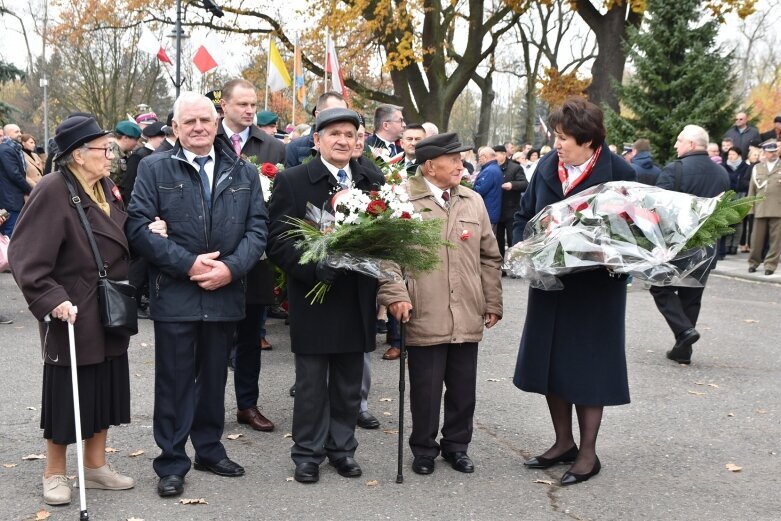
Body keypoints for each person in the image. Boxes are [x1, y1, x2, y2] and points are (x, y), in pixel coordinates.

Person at [125, 92, 268, 498]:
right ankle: (171, 461)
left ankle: (209, 448)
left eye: (205, 119)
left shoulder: (241, 171)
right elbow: (137, 228)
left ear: (217, 121)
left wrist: (231, 268)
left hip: (224, 293)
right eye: (189, 122)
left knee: (213, 378)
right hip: (175, 293)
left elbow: (258, 230)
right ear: (175, 128)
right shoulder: (153, 169)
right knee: (174, 381)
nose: (199, 128)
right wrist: (188, 264)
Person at [9, 116, 146, 505]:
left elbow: (118, 230)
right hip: (71, 309)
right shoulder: (53, 189)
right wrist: (51, 299)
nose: (110, 155)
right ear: (78, 155)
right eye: (104, 148)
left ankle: (96, 465)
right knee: (67, 395)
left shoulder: (104, 186)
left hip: (109, 303)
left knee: (104, 387)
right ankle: (54, 472)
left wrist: (147, 231)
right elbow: (25, 256)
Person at [512, 97, 636, 486]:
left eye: (564, 138)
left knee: (589, 368)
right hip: (552, 284)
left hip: (597, 290)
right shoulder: (548, 167)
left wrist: (613, 254)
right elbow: (523, 216)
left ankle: (588, 453)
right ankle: (563, 442)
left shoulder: (621, 172)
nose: (556, 145)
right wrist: (524, 248)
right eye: (556, 136)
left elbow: (639, 233)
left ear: (588, 140)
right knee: (553, 363)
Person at [267, 108, 384, 484]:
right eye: (334, 133)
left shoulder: (371, 179)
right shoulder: (294, 180)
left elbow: (388, 233)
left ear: (357, 141)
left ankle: (342, 449)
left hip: (356, 295)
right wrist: (314, 268)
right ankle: (307, 454)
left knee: (350, 383)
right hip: (314, 297)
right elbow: (279, 241)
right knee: (312, 385)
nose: (342, 140)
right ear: (316, 140)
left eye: (350, 134)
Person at [379, 132, 503, 476]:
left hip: (467, 310)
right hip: (424, 310)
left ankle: (457, 446)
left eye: (461, 159)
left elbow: (489, 257)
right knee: (426, 389)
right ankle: (423, 449)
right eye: (454, 160)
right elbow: (387, 258)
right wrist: (396, 296)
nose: (460, 165)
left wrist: (492, 300)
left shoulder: (472, 200)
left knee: (464, 390)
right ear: (430, 166)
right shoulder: (403, 200)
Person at [216, 78, 285, 433]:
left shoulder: (272, 147)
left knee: (250, 336)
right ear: (223, 105)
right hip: (213, 256)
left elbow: (281, 204)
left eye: (253, 104)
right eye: (241, 104)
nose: (248, 110)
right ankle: (209, 405)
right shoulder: (208, 142)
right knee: (214, 337)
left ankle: (247, 404)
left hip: (257, 257)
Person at [651, 124, 730, 364]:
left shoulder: (676, 170)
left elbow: (657, 208)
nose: (676, 145)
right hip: (708, 245)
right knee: (691, 296)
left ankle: (684, 332)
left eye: (679, 141)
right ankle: (683, 350)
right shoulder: (722, 173)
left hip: (679, 243)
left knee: (660, 288)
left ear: (692, 145)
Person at [285, 91, 348, 167]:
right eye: (334, 113)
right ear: (318, 115)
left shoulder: (352, 146)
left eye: (344, 114)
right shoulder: (294, 148)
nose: (340, 118)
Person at [747, 140, 781, 276]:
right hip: (760, 208)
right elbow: (752, 190)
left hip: (778, 209)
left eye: (774, 151)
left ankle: (770, 265)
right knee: (756, 239)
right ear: (764, 153)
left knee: (776, 241)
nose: (773, 154)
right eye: (770, 152)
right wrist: (750, 208)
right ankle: (753, 263)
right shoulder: (758, 168)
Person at [493, 144, 528, 261]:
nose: (494, 157)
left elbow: (525, 184)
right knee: (498, 240)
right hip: (497, 209)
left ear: (503, 154)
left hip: (511, 209)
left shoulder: (515, 168)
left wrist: (512, 185)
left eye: (495, 155)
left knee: (513, 238)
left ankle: (514, 265)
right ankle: (501, 265)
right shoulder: (493, 168)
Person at [0, 123, 31, 235]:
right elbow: (15, 174)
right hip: (10, 201)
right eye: (16, 132)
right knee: (9, 235)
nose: (20, 134)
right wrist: (30, 190)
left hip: (13, 199)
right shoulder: (6, 150)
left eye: (20, 131)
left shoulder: (13, 149)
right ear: (8, 134)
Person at [722, 146, 749, 255]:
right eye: (729, 154)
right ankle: (727, 245)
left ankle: (734, 246)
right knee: (728, 221)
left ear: (739, 155)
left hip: (741, 195)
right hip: (728, 195)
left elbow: (746, 181)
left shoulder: (745, 167)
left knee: (738, 221)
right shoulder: (724, 166)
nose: (731, 156)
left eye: (733, 154)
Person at [473, 146, 503, 234]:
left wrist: (469, 187)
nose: (479, 160)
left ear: (485, 157)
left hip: (488, 213)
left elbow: (479, 191)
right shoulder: (495, 168)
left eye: (480, 158)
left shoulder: (489, 171)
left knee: (487, 241)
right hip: (492, 211)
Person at [108, 120, 141, 187]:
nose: (137, 143)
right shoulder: (110, 154)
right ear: (125, 138)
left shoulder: (127, 153)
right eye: (135, 140)